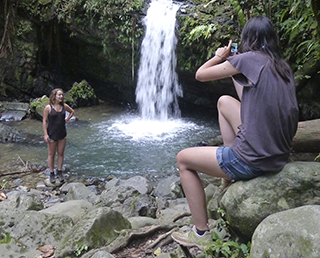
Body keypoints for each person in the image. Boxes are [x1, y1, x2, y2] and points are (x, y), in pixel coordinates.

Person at [171, 16, 299, 249]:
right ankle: (228, 175)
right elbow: (245, 100)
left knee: (183, 160)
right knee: (224, 102)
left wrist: (220, 57)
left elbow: (200, 74)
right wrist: (234, 67)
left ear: (247, 39)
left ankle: (200, 233)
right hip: (277, 153)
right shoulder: (281, 66)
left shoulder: (250, 58)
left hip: (254, 158)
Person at [42, 88, 74, 184]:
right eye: (59, 95)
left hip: (62, 133)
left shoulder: (64, 106)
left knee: (60, 154)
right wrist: (45, 134)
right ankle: (52, 173)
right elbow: (44, 121)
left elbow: (72, 112)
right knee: (51, 154)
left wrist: (66, 120)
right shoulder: (48, 108)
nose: (61, 96)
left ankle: (59, 172)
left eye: (62, 95)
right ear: (54, 96)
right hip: (51, 134)